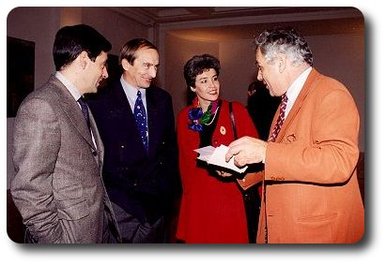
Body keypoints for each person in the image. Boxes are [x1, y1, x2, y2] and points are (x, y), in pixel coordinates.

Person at [225, 27, 364, 243]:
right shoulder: (285, 103)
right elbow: (286, 161)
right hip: (284, 227)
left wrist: (265, 151)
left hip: (314, 234)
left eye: (261, 67)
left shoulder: (330, 92)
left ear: (280, 62)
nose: (259, 76)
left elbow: (339, 162)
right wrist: (240, 168)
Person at [10, 24, 121, 243]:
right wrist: (56, 242)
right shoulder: (41, 105)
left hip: (93, 230)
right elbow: (29, 189)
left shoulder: (79, 103)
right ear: (82, 60)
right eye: (102, 65)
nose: (106, 73)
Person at [87, 38, 181, 243]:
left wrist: (168, 195)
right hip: (121, 207)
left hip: (157, 207)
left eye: (156, 66)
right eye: (147, 65)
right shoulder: (98, 101)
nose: (154, 74)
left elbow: (170, 151)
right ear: (126, 64)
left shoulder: (163, 99)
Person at [176, 54, 260, 243]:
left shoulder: (235, 111)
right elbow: (185, 165)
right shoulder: (187, 117)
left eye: (214, 78)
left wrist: (235, 169)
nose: (212, 85)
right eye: (204, 81)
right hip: (199, 200)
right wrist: (187, 207)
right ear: (192, 87)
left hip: (229, 197)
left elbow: (256, 156)